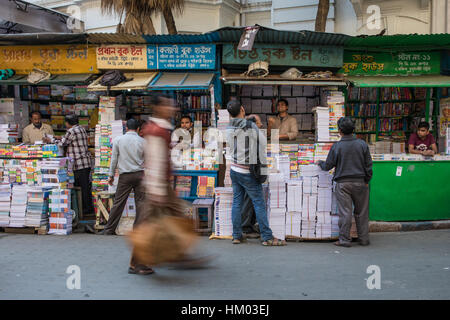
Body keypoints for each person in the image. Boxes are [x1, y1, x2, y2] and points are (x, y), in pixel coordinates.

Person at [129, 96, 211, 275]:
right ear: (159, 109)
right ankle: (138, 262)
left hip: (160, 183)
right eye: (167, 106)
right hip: (156, 184)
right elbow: (156, 160)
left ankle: (179, 254)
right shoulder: (158, 131)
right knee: (150, 223)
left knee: (175, 215)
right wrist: (157, 191)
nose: (172, 109)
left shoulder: (160, 129)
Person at [226, 100, 285, 246]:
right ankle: (267, 237)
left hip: (234, 170)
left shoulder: (228, 127)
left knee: (237, 202)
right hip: (248, 172)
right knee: (258, 203)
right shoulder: (250, 125)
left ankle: (236, 235)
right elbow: (263, 142)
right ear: (242, 109)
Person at [316, 117, 373, 248]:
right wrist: (366, 180)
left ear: (339, 130)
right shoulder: (362, 144)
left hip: (343, 184)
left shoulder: (337, 146)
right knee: (362, 212)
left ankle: (344, 240)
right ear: (353, 130)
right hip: (360, 182)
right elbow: (369, 166)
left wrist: (320, 163)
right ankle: (364, 239)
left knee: (345, 212)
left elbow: (328, 166)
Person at [98, 119, 146, 235]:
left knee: (118, 202)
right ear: (138, 128)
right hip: (140, 175)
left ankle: (109, 229)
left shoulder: (118, 140)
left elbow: (114, 159)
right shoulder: (143, 141)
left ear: (126, 128)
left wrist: (111, 175)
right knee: (141, 203)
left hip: (125, 176)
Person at [43, 114, 94, 217]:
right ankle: (88, 208)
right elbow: (69, 139)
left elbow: (63, 143)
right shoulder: (81, 129)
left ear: (68, 123)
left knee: (80, 187)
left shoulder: (71, 131)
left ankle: (84, 209)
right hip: (85, 163)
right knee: (85, 187)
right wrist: (58, 137)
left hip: (78, 164)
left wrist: (51, 140)